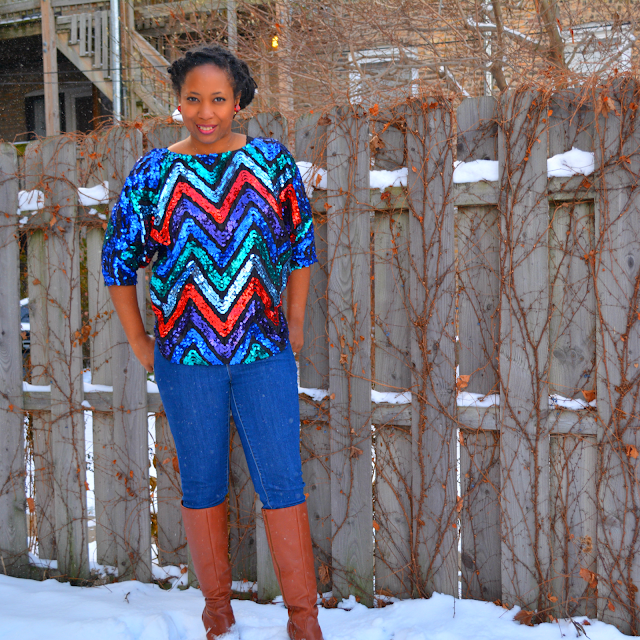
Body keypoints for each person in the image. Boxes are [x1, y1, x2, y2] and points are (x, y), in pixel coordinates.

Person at [101, 44, 324, 640]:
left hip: (263, 354)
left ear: (239, 101)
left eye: (218, 99)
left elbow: (300, 247)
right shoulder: (152, 174)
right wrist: (142, 342)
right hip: (186, 360)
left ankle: (305, 621)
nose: (205, 112)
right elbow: (118, 265)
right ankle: (217, 616)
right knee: (202, 483)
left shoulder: (272, 165)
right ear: (178, 103)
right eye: (193, 99)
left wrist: (295, 323)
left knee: (282, 480)